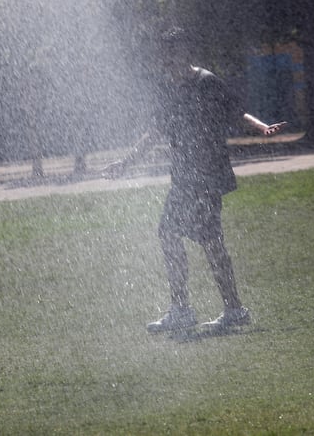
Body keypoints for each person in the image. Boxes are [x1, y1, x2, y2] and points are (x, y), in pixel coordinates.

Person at [103, 27, 286, 334]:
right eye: (164, 56)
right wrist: (126, 162)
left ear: (184, 53)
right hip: (184, 177)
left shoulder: (206, 82)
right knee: (171, 234)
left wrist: (262, 127)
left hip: (208, 175)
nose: (168, 61)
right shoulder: (168, 88)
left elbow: (237, 112)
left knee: (209, 242)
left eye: (173, 54)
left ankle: (228, 308)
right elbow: (156, 132)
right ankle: (189, 308)